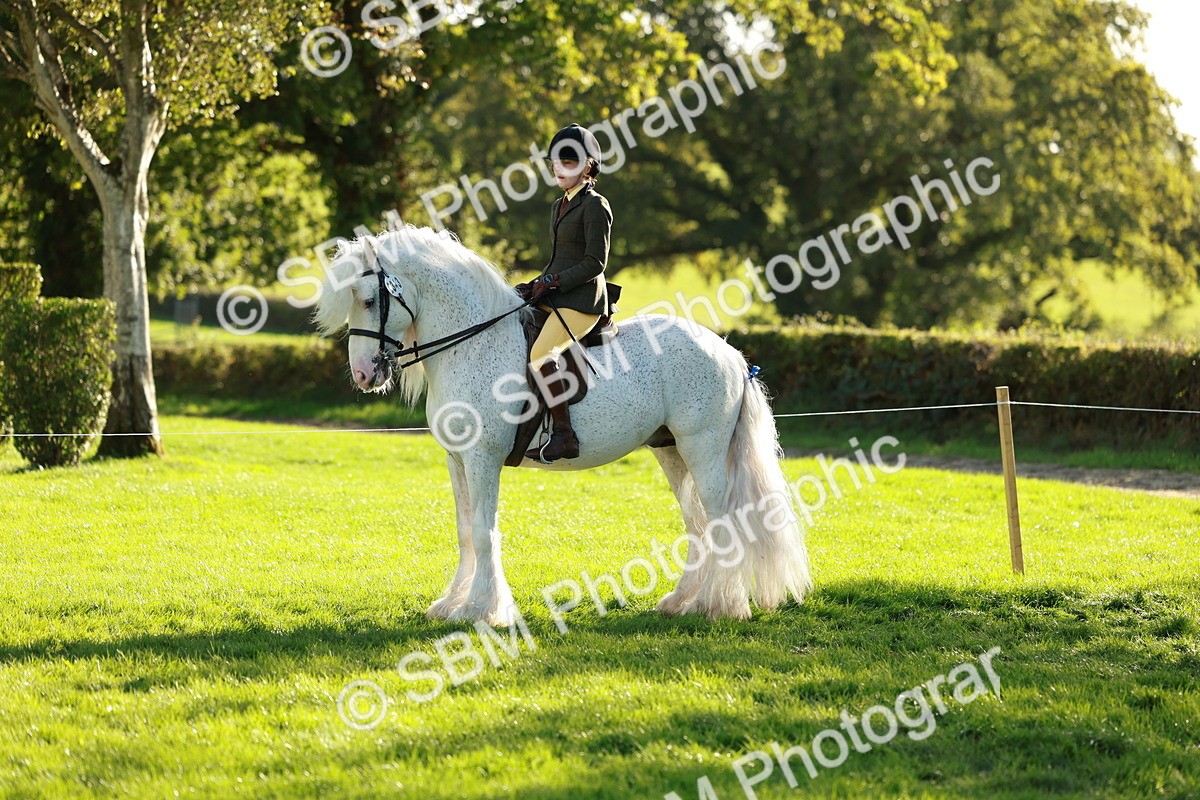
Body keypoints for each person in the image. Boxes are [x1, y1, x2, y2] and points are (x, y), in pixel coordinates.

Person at [514, 124, 612, 462]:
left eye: (568, 162)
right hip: (557, 295)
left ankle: (565, 436)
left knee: (542, 355)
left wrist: (553, 282)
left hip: (584, 302)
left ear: (587, 166)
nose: (560, 168)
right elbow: (559, 259)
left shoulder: (596, 205)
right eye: (556, 162)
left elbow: (594, 263)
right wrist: (536, 284)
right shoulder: (559, 205)